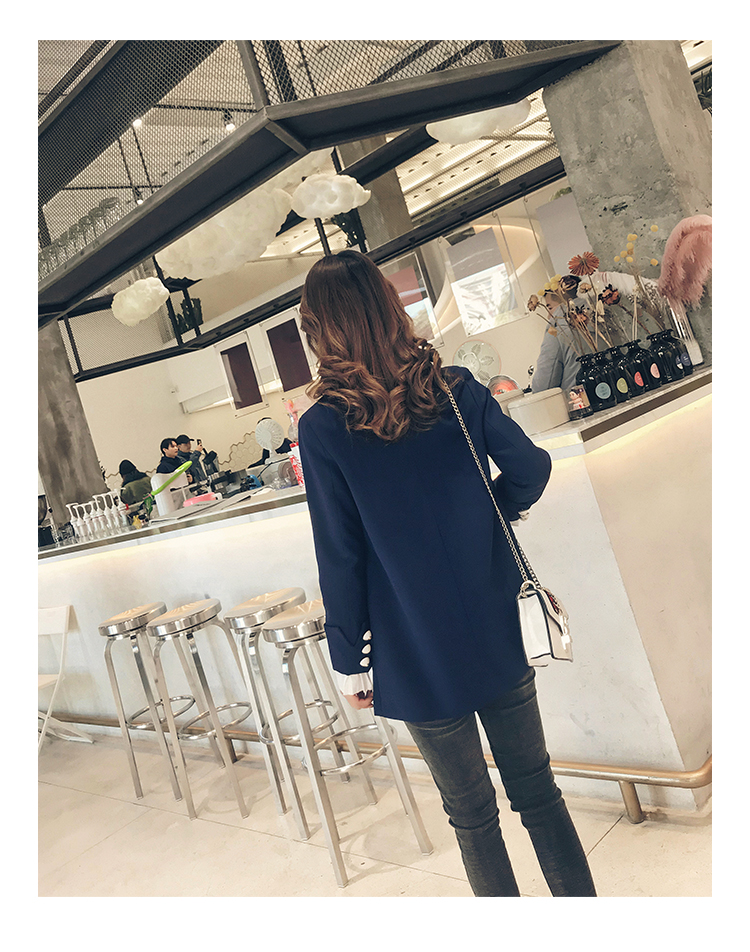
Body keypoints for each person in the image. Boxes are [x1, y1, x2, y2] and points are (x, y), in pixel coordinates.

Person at [297, 249, 596, 898]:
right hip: (494, 624)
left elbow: (340, 555)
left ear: (320, 328)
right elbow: (531, 469)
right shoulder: (455, 387)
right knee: (538, 793)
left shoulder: (321, 428)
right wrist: (494, 514)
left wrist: (349, 661)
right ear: (389, 307)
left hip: (413, 651)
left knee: (472, 817)